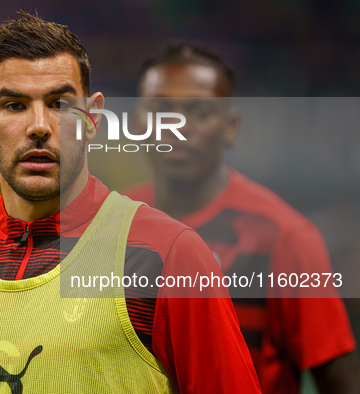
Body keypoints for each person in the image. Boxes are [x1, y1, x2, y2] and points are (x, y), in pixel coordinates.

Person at [0, 14, 260, 393]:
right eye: (14, 105)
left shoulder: (166, 256)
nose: (39, 126)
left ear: (93, 119)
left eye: (59, 104)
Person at [125, 41, 360, 393]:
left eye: (200, 111)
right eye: (160, 111)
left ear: (230, 126)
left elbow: (339, 377)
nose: (177, 126)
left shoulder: (284, 235)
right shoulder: (114, 224)